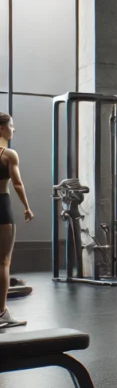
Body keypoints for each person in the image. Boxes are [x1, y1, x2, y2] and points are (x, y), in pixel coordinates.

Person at [0, 113, 33, 328]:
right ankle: (2, 313)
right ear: (1, 128)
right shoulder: (8, 154)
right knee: (3, 262)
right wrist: (27, 207)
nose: (14, 130)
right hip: (1, 207)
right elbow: (18, 184)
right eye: (11, 126)